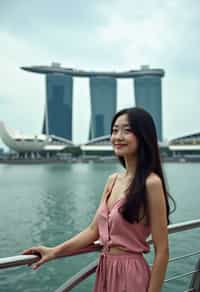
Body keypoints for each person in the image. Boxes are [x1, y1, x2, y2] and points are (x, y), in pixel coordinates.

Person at [22, 107, 175, 292]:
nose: (117, 137)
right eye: (114, 130)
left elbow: (162, 251)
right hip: (105, 270)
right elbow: (93, 230)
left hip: (131, 274)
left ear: (143, 136)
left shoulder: (151, 183)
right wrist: (53, 251)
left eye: (127, 130)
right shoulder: (113, 180)